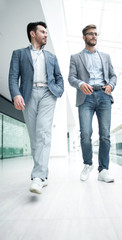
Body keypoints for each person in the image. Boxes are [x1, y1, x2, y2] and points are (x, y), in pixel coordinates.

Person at [9, 21, 64, 193]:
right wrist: (16, 94)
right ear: (33, 34)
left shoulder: (51, 57)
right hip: (28, 94)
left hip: (48, 93)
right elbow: (13, 77)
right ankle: (43, 175)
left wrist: (58, 91)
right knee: (34, 137)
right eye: (42, 32)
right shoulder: (18, 54)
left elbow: (59, 77)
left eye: (46, 32)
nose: (46, 35)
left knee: (43, 133)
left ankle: (37, 177)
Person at [68, 24, 117, 183]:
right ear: (84, 37)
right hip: (85, 96)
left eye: (96, 34)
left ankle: (103, 170)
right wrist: (81, 84)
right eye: (90, 34)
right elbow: (71, 77)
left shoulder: (105, 56)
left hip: (104, 95)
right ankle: (88, 164)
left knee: (105, 135)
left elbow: (113, 76)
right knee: (86, 134)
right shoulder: (75, 57)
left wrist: (111, 85)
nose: (94, 36)